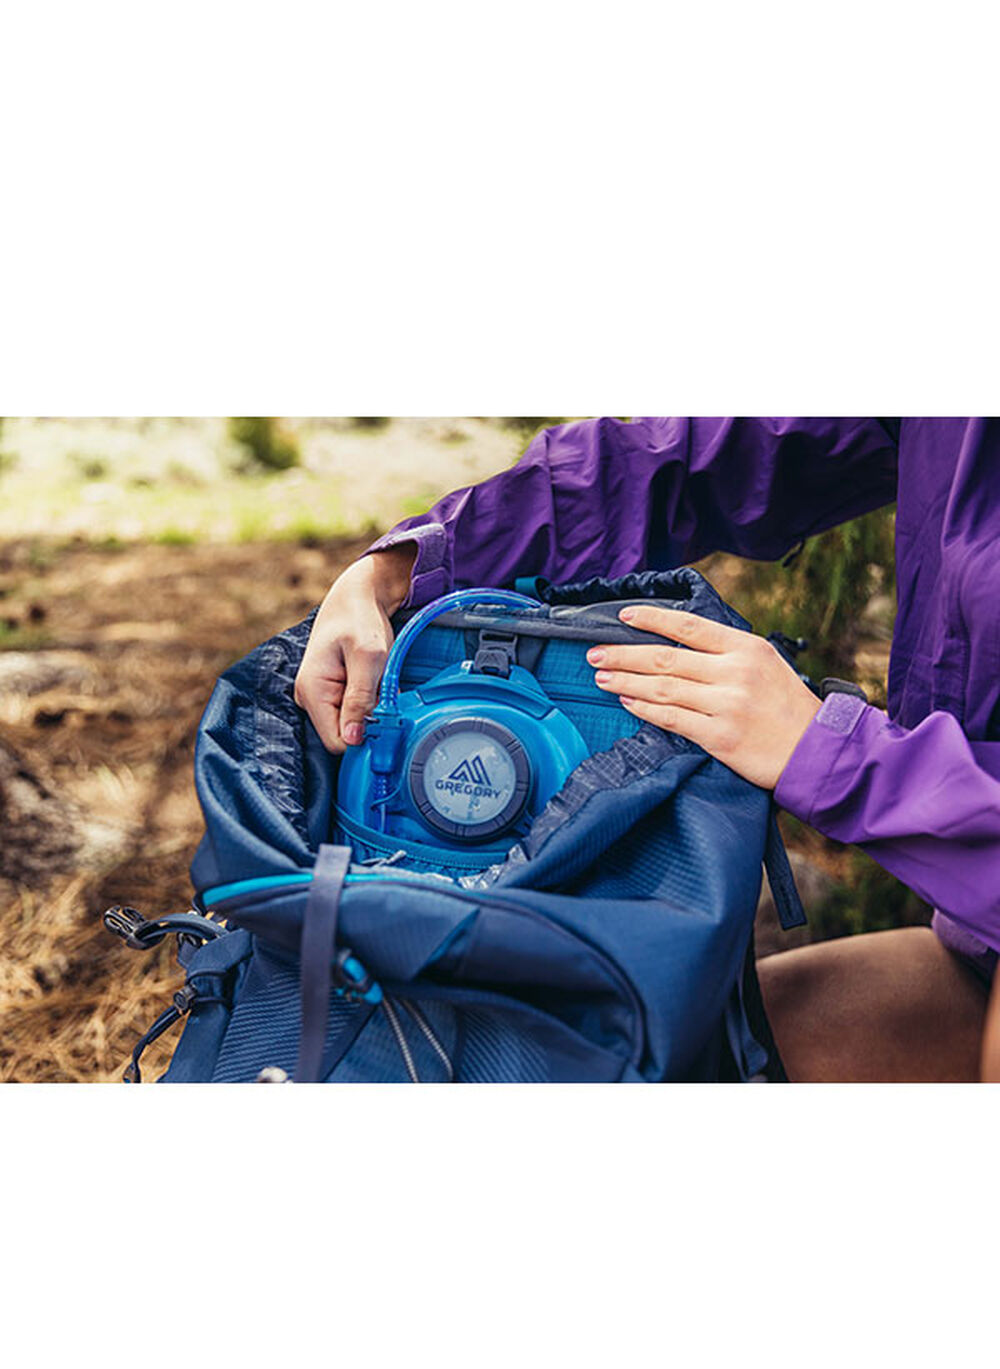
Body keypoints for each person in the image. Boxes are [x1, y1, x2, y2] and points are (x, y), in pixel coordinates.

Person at [294, 418, 1000, 1082]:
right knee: (704, 1057)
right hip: (973, 939)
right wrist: (400, 566)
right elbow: (701, 453)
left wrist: (834, 757)